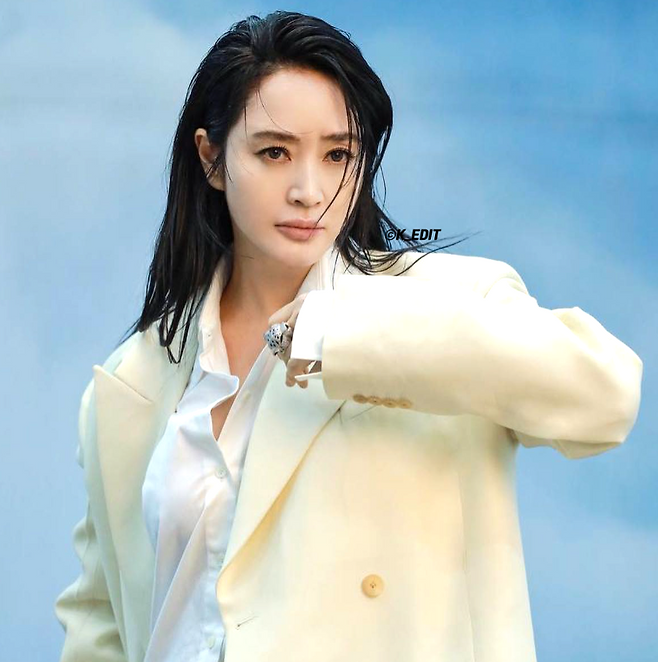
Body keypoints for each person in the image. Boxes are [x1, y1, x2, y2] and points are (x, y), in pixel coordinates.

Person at [54, 10, 643, 662]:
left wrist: (339, 340)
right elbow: (100, 626)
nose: (310, 191)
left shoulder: (444, 299)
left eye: (338, 155)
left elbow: (607, 396)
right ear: (211, 158)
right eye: (274, 152)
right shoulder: (134, 380)